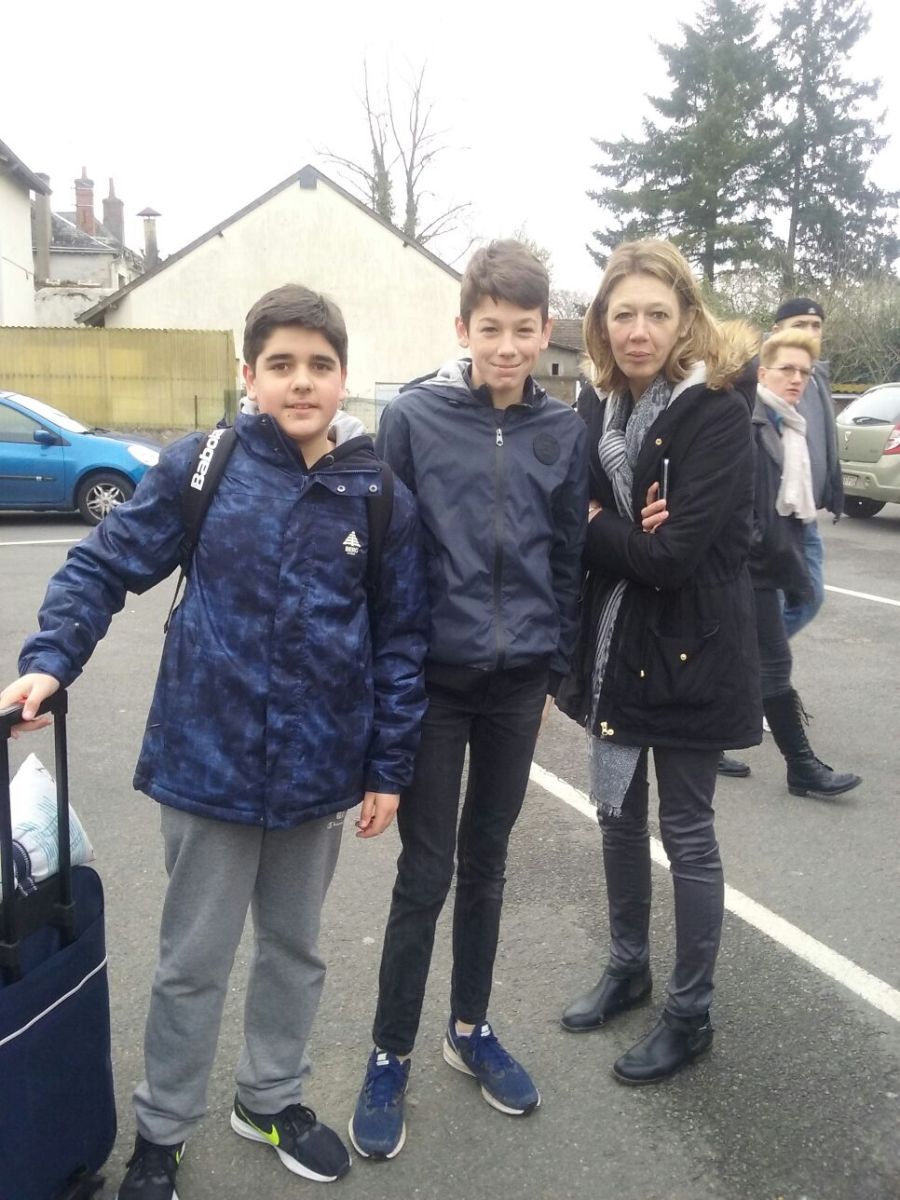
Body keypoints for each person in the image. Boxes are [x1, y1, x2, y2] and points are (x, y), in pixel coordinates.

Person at [0, 284, 429, 1200]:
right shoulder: (203, 467)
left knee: (294, 952)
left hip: (319, 776)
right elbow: (105, 563)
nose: (301, 381)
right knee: (192, 963)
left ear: (343, 377)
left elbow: (401, 641)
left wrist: (388, 767)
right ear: (249, 375)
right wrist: (52, 660)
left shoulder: (379, 495)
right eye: (282, 364)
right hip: (207, 768)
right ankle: (162, 1130)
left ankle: (269, 1099)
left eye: (319, 365)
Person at [348, 240, 588, 1159]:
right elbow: (387, 555)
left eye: (524, 330)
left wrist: (554, 663)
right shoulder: (413, 417)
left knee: (488, 863)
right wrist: (390, 680)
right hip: (436, 685)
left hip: (518, 686)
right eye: (491, 329)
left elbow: (566, 555)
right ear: (463, 327)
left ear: (546, 330)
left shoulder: (562, 430)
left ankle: (469, 1028)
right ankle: (390, 1052)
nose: (508, 346)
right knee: (427, 871)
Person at [556, 239, 761, 1085]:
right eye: (623, 314)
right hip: (617, 646)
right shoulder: (596, 407)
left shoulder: (716, 412)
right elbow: (571, 516)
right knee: (616, 818)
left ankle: (690, 1013)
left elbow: (671, 558)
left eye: (656, 314)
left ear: (685, 320)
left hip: (693, 652)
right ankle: (628, 966)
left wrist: (598, 526)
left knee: (687, 833)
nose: (638, 330)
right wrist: (613, 527)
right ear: (601, 323)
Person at [745, 328, 861, 798]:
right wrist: (766, 555)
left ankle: (711, 745)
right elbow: (744, 508)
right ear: (762, 373)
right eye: (787, 369)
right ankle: (802, 767)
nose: (796, 379)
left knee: (744, 661)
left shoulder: (788, 425)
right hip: (750, 567)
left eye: (804, 372)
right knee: (773, 663)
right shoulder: (752, 423)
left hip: (768, 562)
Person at [771, 298, 843, 639]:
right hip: (776, 515)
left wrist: (833, 489)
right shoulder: (764, 376)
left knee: (810, 598)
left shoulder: (816, 377)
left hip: (806, 513)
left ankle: (759, 653)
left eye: (816, 326)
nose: (810, 332)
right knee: (780, 602)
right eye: (799, 325)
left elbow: (823, 439)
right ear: (777, 331)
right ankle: (759, 655)